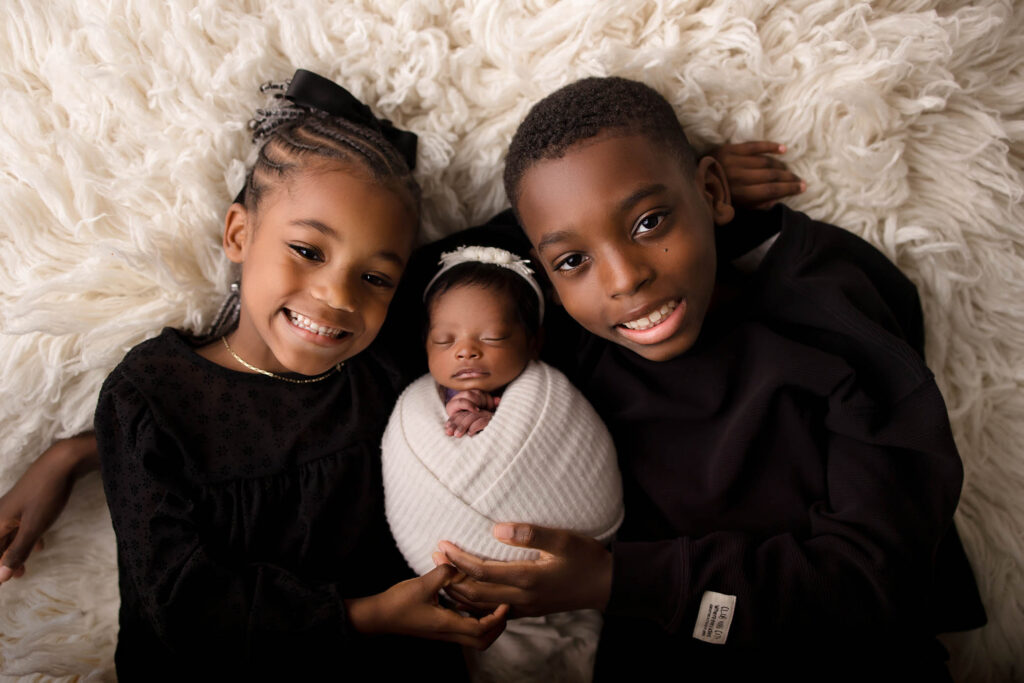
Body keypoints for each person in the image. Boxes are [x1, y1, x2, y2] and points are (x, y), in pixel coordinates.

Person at [427, 77, 986, 681]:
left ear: (716, 192)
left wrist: (618, 580)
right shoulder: (563, 336)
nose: (623, 279)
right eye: (573, 260)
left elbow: (876, 580)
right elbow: (409, 286)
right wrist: (657, 192)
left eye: (649, 223)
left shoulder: (831, 303)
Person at [89, 69, 509, 680]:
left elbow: (510, 240)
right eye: (308, 251)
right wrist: (367, 616)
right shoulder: (152, 394)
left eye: (375, 278)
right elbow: (181, 609)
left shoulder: (382, 365)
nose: (337, 296)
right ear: (239, 232)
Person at [382, 244, 623, 682]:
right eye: (444, 340)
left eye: (491, 338)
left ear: (534, 342)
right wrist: (466, 415)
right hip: (467, 599)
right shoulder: (429, 402)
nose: (466, 352)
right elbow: (450, 433)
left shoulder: (544, 392)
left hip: (577, 578)